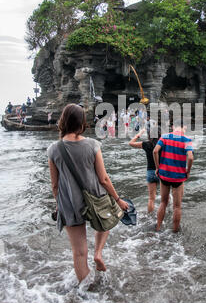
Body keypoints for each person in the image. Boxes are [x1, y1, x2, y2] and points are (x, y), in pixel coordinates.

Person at [47, 104, 128, 284]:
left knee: (79, 252)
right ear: (82, 122)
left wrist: (60, 205)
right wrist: (118, 199)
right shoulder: (92, 145)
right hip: (96, 198)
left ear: (63, 121)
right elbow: (104, 179)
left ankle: (87, 296)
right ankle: (98, 253)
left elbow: (55, 185)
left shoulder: (53, 149)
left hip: (69, 204)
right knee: (108, 219)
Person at [153, 119, 193, 233]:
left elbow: (155, 151)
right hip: (178, 177)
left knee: (163, 202)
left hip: (164, 174)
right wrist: (188, 171)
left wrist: (157, 167)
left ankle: (158, 227)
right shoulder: (187, 140)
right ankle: (175, 231)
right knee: (177, 206)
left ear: (172, 127)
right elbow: (190, 158)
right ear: (183, 127)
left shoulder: (164, 137)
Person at [129, 127, 161, 213]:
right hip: (161, 172)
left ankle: (150, 217)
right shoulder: (163, 144)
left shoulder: (146, 144)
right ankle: (166, 213)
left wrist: (139, 134)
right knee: (166, 197)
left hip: (150, 173)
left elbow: (131, 143)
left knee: (151, 198)